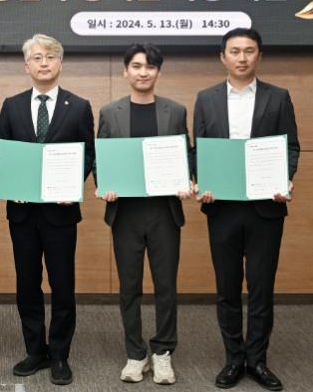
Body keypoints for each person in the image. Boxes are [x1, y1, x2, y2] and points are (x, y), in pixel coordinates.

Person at [194, 28, 299, 391]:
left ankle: (257, 360)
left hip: (265, 209)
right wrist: (202, 181)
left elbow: (291, 148)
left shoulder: (278, 97)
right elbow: (199, 150)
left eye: (249, 51)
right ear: (222, 57)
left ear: (259, 56)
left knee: (260, 288)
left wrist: (285, 179)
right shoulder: (206, 99)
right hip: (221, 208)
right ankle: (233, 359)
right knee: (226, 289)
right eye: (235, 51)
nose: (242, 57)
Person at [0, 34, 95, 385]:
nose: (43, 63)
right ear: (27, 66)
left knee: (62, 285)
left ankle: (60, 354)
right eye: (37, 57)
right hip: (22, 213)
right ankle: (35, 350)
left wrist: (73, 186)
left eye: (50, 57)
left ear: (60, 64)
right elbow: (1, 153)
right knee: (27, 284)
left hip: (60, 212)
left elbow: (88, 154)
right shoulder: (11, 105)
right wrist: (12, 184)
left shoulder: (79, 106)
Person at [96, 44, 192, 385]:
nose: (143, 72)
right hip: (126, 213)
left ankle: (163, 353)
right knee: (129, 287)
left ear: (158, 72)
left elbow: (185, 156)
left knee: (166, 286)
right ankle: (135, 354)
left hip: (165, 211)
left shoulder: (175, 111)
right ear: (125, 71)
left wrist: (186, 181)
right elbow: (102, 159)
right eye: (136, 66)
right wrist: (105, 185)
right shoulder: (110, 112)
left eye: (150, 66)